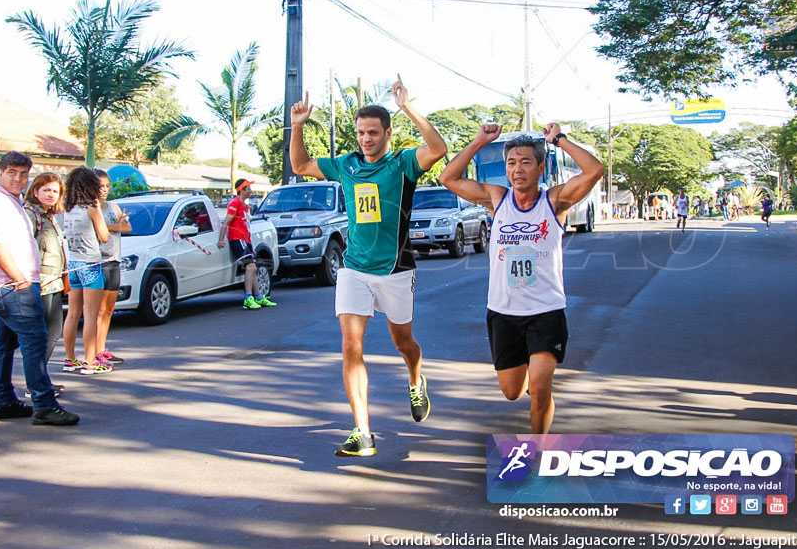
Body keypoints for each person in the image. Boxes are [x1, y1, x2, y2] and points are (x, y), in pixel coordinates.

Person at [290, 75, 448, 457]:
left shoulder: (403, 164)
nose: (365, 139)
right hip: (355, 269)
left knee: (402, 343)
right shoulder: (346, 165)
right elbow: (300, 165)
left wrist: (408, 106)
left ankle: (415, 379)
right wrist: (297, 126)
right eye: (361, 132)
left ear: (387, 133)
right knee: (350, 346)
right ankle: (362, 432)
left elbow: (438, 148)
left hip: (394, 270)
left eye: (373, 132)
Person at [440, 123, 604, 434]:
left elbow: (595, 170)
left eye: (526, 162)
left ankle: (538, 450)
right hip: (504, 313)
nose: (518, 169)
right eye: (512, 163)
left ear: (541, 168)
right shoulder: (496, 199)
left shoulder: (555, 202)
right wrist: (478, 141)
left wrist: (559, 140)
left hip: (546, 311)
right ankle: (529, 376)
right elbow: (447, 178)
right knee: (512, 391)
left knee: (541, 390)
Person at [0, 152, 78, 426]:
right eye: (12, 173)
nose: (18, 179)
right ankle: (43, 403)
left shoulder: (10, 200)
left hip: (15, 283)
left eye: (23, 174)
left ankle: (3, 400)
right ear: (0, 172)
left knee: (4, 345)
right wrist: (19, 278)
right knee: (35, 342)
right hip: (13, 286)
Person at [61, 167, 112, 376]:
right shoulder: (92, 208)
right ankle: (90, 361)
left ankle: (70, 358)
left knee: (73, 314)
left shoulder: (68, 209)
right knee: (90, 315)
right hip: (91, 264)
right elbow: (104, 236)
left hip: (73, 264)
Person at [24, 172, 67, 398]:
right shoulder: (31, 215)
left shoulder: (49, 216)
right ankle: (35, 385)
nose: (51, 194)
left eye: (55, 191)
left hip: (54, 283)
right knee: (42, 336)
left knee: (53, 333)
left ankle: (40, 381)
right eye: (46, 190)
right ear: (35, 191)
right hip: (39, 283)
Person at [218, 178, 276, 310]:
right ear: (242, 190)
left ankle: (259, 297)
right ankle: (248, 298)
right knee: (251, 267)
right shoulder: (235, 204)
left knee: (253, 267)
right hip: (237, 239)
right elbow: (226, 223)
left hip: (246, 240)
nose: (251, 191)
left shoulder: (245, 206)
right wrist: (221, 240)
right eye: (248, 188)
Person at [93, 169, 129, 364]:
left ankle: (102, 348)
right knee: (97, 310)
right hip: (97, 260)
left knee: (109, 308)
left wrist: (108, 226)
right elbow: (97, 232)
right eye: (100, 186)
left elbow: (127, 227)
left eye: (107, 186)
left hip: (114, 259)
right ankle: (94, 352)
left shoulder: (113, 207)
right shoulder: (90, 208)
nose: (104, 190)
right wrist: (114, 226)